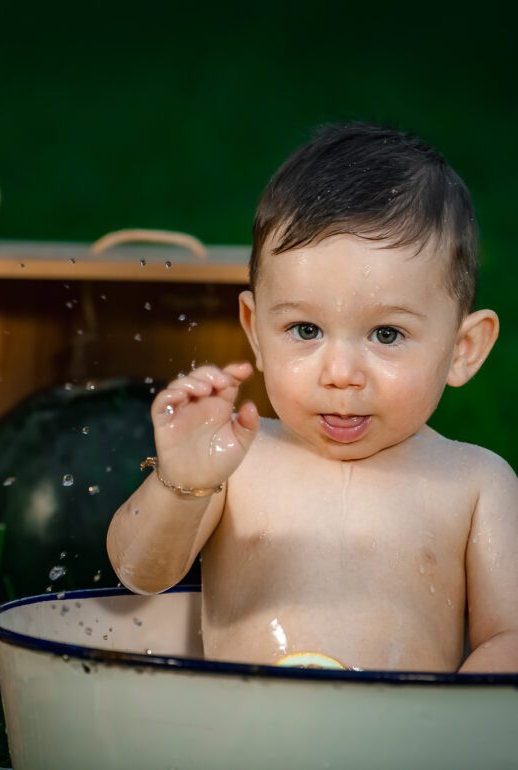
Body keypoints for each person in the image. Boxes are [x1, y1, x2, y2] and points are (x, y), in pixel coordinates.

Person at [106, 122, 518, 672]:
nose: (341, 374)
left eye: (386, 335)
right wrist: (182, 483)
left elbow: (509, 637)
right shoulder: (239, 464)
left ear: (463, 348)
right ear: (254, 329)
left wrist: (447, 729)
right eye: (305, 330)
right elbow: (139, 573)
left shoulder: (475, 485)